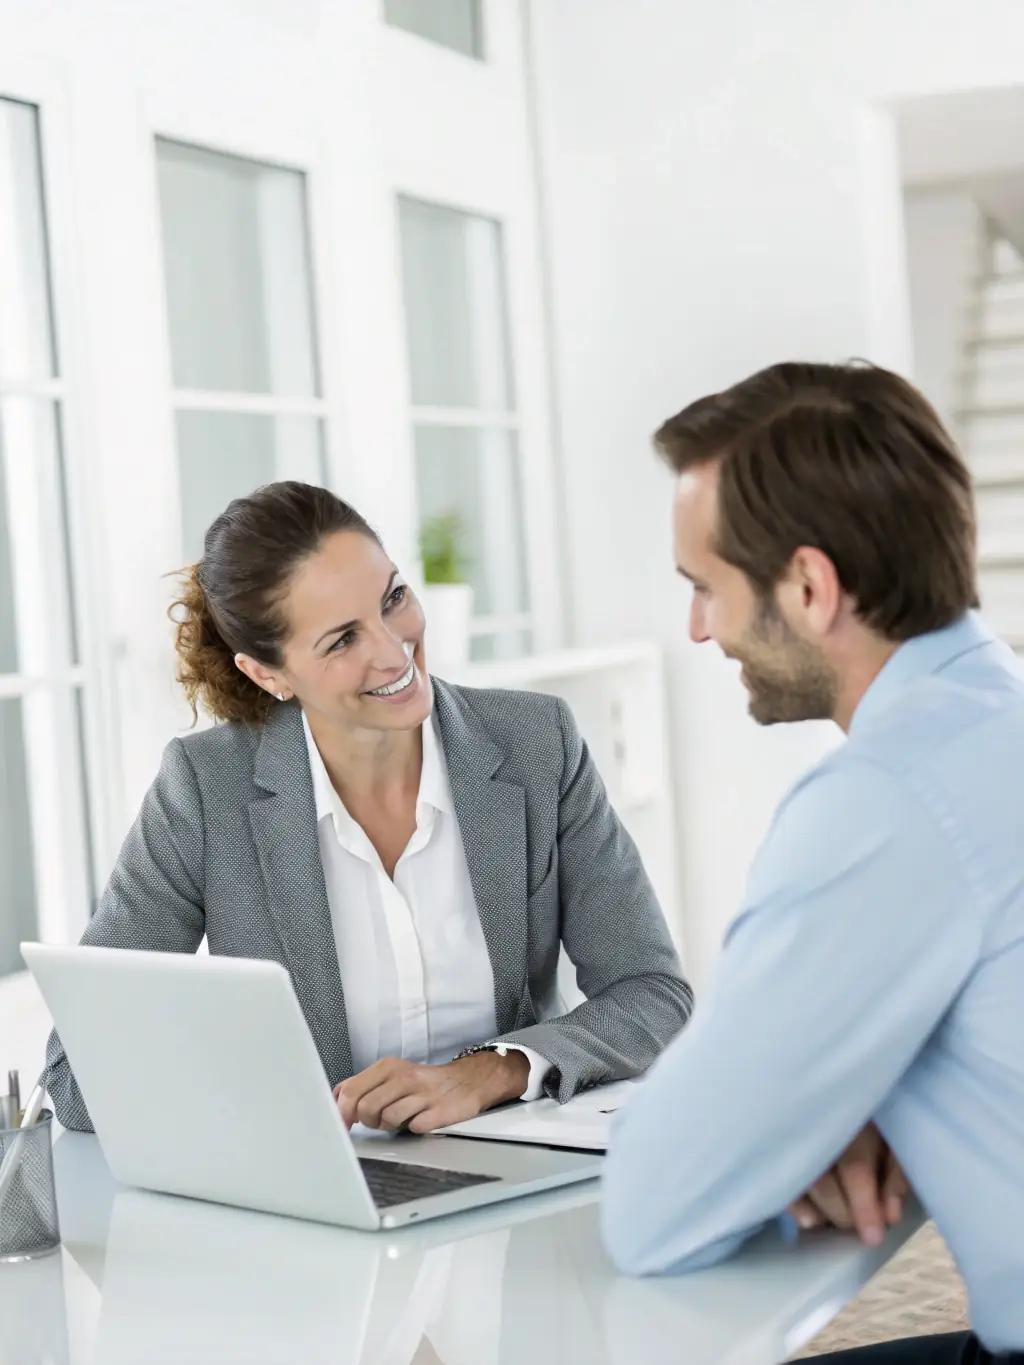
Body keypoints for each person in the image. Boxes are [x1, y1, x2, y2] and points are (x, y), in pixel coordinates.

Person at [601, 362, 1024, 1365]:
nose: (698, 629)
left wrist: (793, 1123)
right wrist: (849, 1101)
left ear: (808, 585)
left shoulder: (886, 800)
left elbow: (657, 1207)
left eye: (705, 588)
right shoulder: (992, 715)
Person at [48, 481, 692, 1135]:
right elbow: (76, 1077)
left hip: (522, 1177)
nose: (393, 649)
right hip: (325, 1200)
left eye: (394, 598)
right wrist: (268, 1093)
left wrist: (491, 1070)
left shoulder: (537, 742)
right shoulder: (205, 790)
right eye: (341, 639)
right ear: (267, 673)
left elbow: (651, 992)